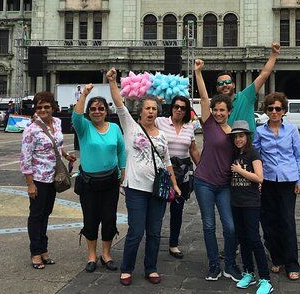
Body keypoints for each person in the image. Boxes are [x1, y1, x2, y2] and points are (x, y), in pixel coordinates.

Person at [107, 68, 181, 286]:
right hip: (136, 188)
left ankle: (151, 268)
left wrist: (175, 185)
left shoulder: (162, 135)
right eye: (147, 108)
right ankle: (127, 268)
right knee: (136, 231)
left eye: (154, 109)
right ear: (140, 111)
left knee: (155, 232)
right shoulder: (131, 127)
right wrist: (112, 81)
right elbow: (120, 104)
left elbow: (167, 161)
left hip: (158, 190)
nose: (151, 112)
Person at [193, 59, 242, 282]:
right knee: (209, 225)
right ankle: (214, 265)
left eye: (222, 110)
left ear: (229, 111)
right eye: (216, 109)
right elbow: (203, 96)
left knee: (230, 227)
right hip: (203, 182)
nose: (219, 113)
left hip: (224, 185)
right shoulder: (208, 123)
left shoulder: (235, 133)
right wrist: (198, 72)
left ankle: (230, 264)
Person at [72, 83, 126, 273]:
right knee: (90, 219)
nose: (97, 111)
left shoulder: (114, 128)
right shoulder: (84, 128)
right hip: (89, 183)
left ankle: (107, 254)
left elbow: (121, 150)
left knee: (109, 219)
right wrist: (84, 94)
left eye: (101, 108)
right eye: (93, 109)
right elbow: (76, 116)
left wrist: (123, 170)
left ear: (106, 111)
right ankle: (92, 255)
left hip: (110, 181)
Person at [253, 92, 300, 281]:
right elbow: (255, 156)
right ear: (266, 111)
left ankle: (292, 262)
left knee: (287, 221)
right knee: (268, 221)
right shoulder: (260, 131)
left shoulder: (291, 130)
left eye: (278, 108)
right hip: (267, 181)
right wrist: (256, 179)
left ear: (284, 110)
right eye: (270, 108)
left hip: (287, 181)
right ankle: (276, 257)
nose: (274, 112)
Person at [20, 91, 76, 270]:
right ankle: (36, 252)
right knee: (36, 216)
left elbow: (57, 145)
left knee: (46, 214)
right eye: (39, 107)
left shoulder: (58, 123)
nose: (43, 110)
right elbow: (25, 159)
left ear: (53, 108)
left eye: (46, 106)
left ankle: (43, 249)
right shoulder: (31, 129)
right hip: (38, 179)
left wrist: (66, 154)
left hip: (54, 178)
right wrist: (30, 184)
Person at [228, 120, 273, 294]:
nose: (238, 139)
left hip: (251, 203)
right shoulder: (234, 154)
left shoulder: (253, 154)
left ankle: (265, 279)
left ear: (247, 136)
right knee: (243, 238)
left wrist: (240, 171)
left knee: (254, 238)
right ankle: (248, 272)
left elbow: (259, 178)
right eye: (235, 137)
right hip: (236, 202)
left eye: (241, 136)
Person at [155, 95, 201, 260]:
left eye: (183, 107)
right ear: (171, 107)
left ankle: (173, 244)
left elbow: (193, 149)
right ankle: (153, 241)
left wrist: (202, 168)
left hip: (182, 175)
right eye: (176, 106)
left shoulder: (189, 127)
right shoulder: (160, 122)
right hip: (162, 174)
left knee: (177, 211)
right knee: (157, 211)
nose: (179, 110)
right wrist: (155, 99)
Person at [215, 43, 280, 134]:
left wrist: (273, 54)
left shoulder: (245, 97)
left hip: (248, 147)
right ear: (217, 88)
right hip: (227, 147)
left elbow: (263, 76)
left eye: (228, 82)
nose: (225, 85)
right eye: (221, 83)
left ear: (233, 85)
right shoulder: (215, 107)